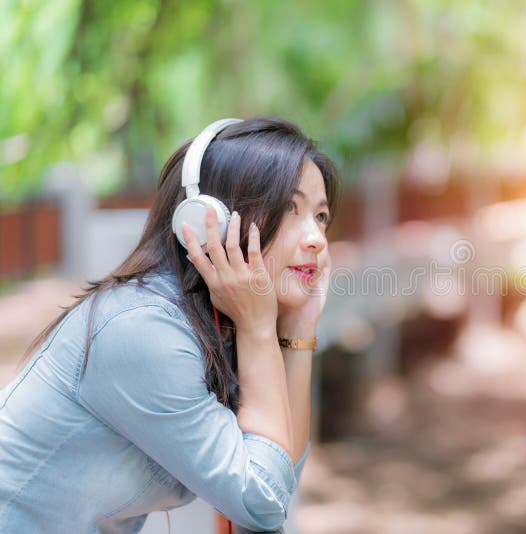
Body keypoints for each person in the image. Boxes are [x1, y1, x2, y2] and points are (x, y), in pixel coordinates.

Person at [0, 116, 338, 533]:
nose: (316, 239)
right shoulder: (145, 330)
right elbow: (261, 501)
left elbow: (279, 479)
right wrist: (260, 331)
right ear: (209, 220)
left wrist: (298, 329)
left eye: (321, 216)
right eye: (291, 207)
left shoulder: (225, 323)